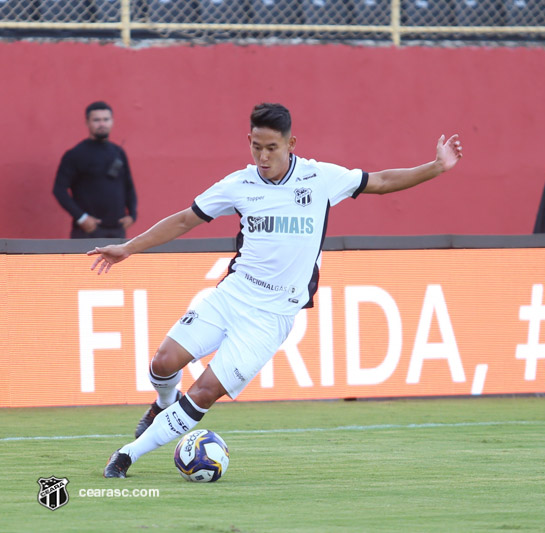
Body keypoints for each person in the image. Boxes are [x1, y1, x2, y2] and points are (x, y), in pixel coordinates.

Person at [91, 102, 463, 478]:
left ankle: (125, 456)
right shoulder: (239, 184)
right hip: (232, 295)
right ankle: (162, 405)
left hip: (270, 318)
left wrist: (435, 168)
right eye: (256, 147)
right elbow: (186, 219)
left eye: (271, 147)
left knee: (204, 392)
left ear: (291, 143)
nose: (263, 156)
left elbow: (380, 182)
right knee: (163, 362)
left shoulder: (321, 178)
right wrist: (127, 248)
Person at [53, 101, 137, 239]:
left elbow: (129, 186)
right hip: (87, 232)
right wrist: (81, 217)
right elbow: (59, 190)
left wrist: (132, 214)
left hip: (117, 232)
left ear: (112, 121)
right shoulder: (75, 154)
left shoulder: (119, 152)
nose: (102, 124)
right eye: (96, 120)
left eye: (106, 119)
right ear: (87, 122)